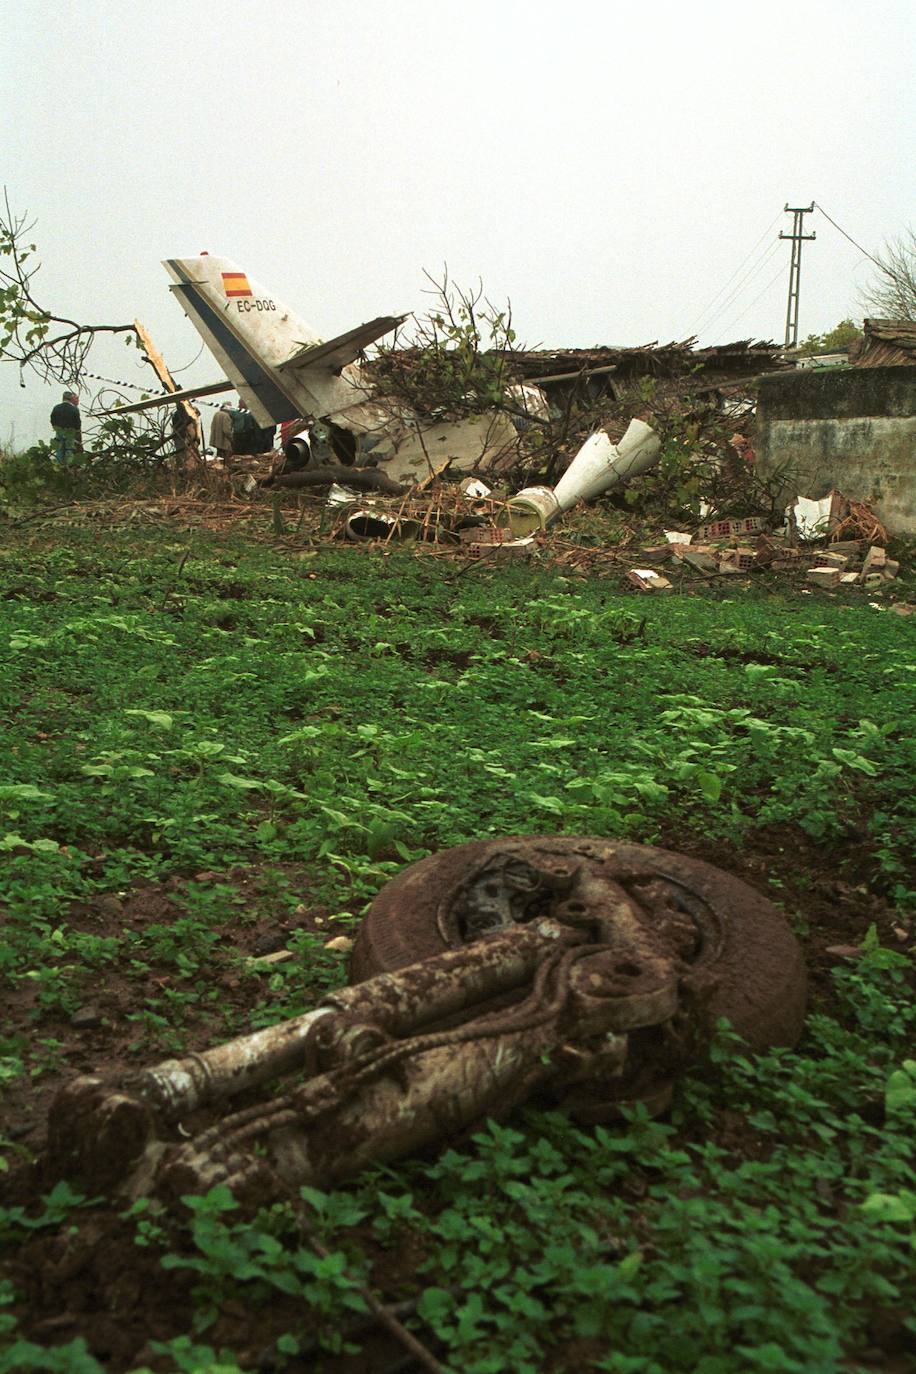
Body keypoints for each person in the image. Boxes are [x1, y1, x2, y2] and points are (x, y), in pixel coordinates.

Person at [50, 390, 82, 465]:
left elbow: (52, 419)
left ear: (63, 398)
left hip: (59, 432)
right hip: (70, 434)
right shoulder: (74, 409)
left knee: (59, 450)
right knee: (69, 450)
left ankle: (59, 465)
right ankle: (68, 467)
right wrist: (76, 431)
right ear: (71, 399)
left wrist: (56, 428)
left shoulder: (56, 408)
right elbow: (78, 424)